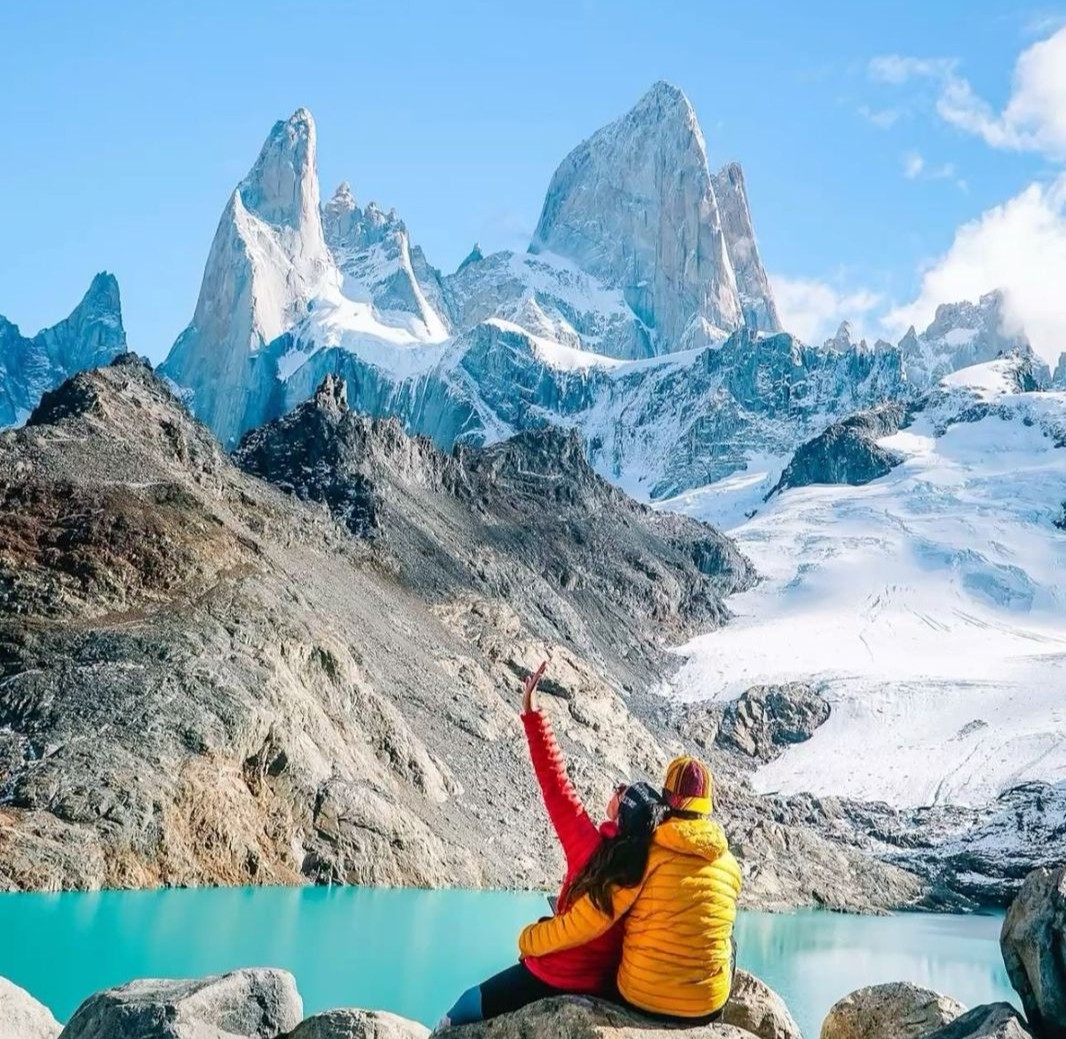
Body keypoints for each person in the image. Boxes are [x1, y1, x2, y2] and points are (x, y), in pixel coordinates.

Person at [437, 662, 664, 1028]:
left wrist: (532, 715)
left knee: (464, 1007)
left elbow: (556, 785)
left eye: (620, 792)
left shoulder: (589, 847)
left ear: (622, 814)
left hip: (558, 972)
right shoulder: (654, 865)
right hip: (605, 984)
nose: (615, 790)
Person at [517, 755, 742, 1024]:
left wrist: (528, 940)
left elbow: (588, 921)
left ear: (667, 800)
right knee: (731, 944)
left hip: (642, 1001)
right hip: (705, 1009)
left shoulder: (645, 852)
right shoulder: (729, 863)